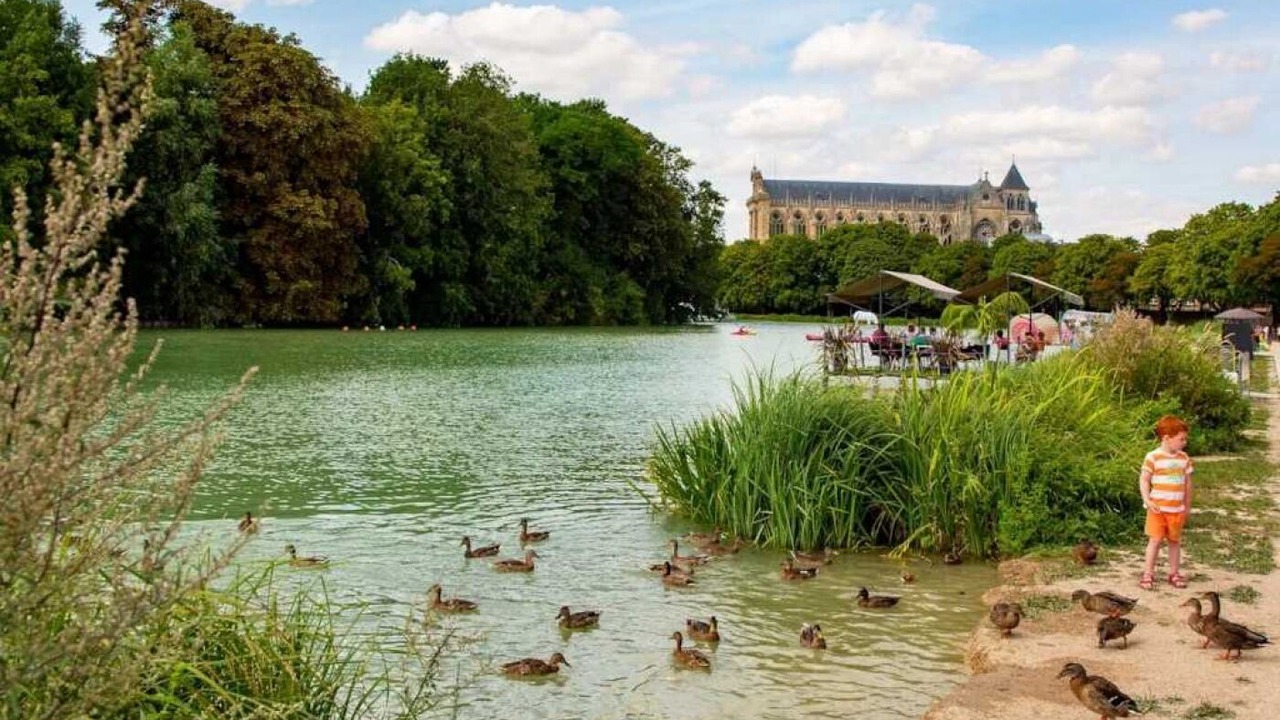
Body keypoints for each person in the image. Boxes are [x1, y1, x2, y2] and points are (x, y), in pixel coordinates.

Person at [1138, 415, 1194, 591]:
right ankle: (1148, 574)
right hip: (1157, 509)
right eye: (1181, 439)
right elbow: (1144, 479)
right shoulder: (1153, 457)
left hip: (1176, 509)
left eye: (1185, 439)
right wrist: (1146, 499)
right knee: (1154, 541)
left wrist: (1187, 506)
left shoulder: (1184, 458)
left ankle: (1174, 573)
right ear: (1166, 439)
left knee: (1174, 541)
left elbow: (1187, 484)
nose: (1184, 442)